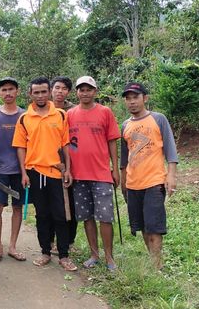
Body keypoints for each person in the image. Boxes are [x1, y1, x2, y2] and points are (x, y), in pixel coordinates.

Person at [13, 77, 77, 271]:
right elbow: (20, 147)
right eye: (36, 92)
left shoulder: (60, 115)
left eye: (43, 92)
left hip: (56, 172)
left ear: (49, 92)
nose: (40, 95)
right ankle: (45, 252)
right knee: (42, 214)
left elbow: (65, 144)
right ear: (30, 94)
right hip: (35, 172)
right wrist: (24, 173)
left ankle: (64, 255)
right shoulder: (24, 118)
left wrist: (68, 170)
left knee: (61, 214)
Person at [120, 82, 178, 269]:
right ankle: (153, 260)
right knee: (142, 226)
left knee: (154, 226)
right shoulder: (125, 126)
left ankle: (157, 265)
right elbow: (124, 158)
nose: (131, 102)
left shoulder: (158, 119)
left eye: (135, 97)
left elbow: (170, 149)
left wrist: (171, 176)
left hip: (154, 181)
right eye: (128, 98)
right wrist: (122, 182)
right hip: (133, 183)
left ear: (145, 98)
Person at [68, 76, 120, 271]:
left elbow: (112, 140)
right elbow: (66, 144)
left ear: (95, 91)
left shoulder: (105, 112)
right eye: (81, 89)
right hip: (78, 175)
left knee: (105, 218)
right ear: (77, 93)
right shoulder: (70, 114)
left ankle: (109, 257)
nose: (85, 92)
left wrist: (115, 168)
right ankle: (94, 254)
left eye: (88, 89)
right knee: (86, 217)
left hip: (101, 174)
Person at [0, 77, 27, 263]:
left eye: (11, 89)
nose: (8, 93)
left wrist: (26, 171)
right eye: (4, 90)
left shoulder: (25, 115)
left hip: (19, 171)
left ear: (17, 91)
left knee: (18, 207)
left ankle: (12, 247)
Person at [50, 76, 77, 252]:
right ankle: (51, 240)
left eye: (64, 88)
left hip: (72, 160)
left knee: (72, 203)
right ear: (52, 89)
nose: (60, 91)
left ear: (68, 92)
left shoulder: (73, 111)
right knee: (52, 203)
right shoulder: (45, 107)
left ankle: (69, 241)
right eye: (57, 88)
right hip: (49, 163)